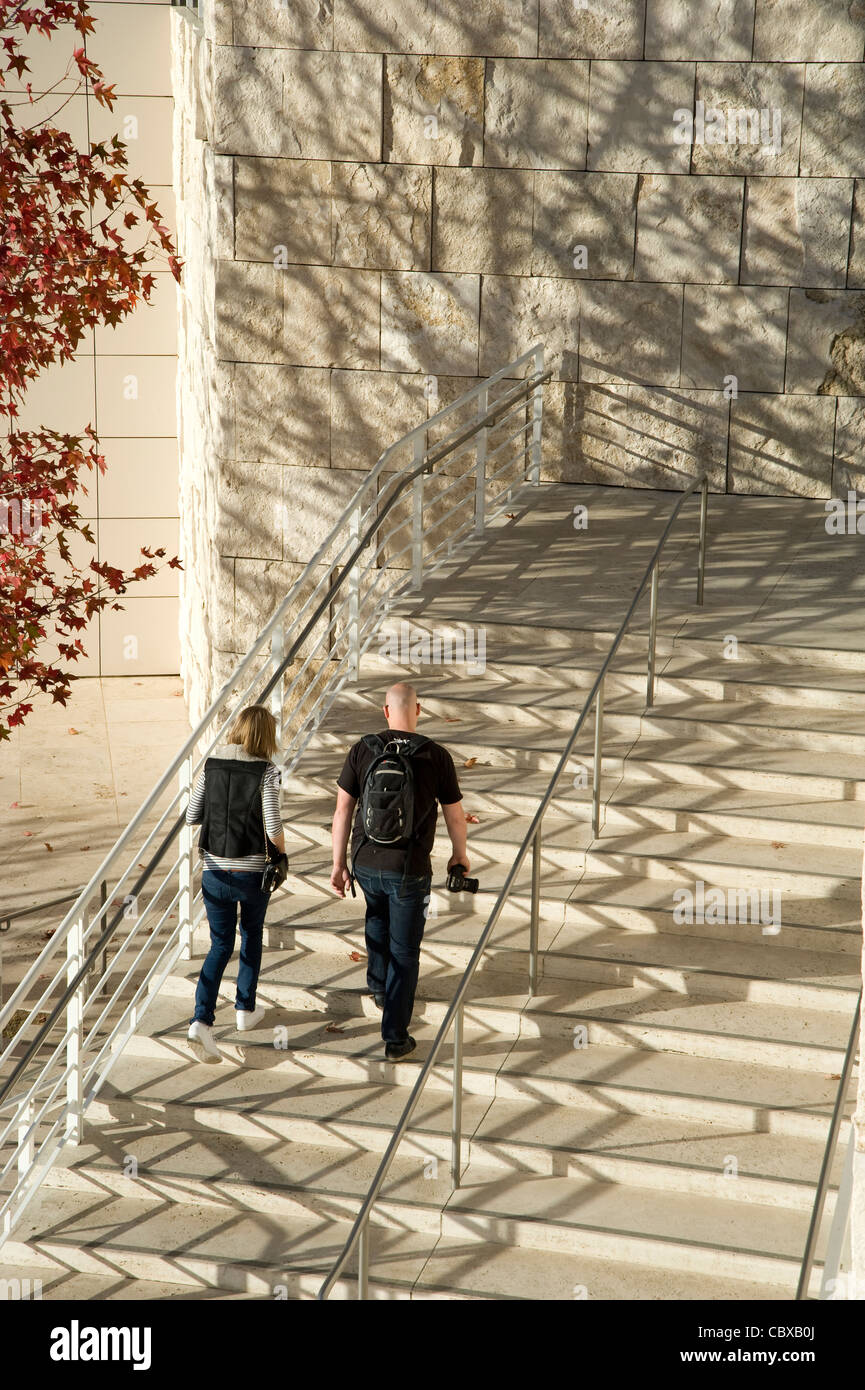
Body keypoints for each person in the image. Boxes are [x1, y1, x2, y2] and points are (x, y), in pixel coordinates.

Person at [331, 682, 468, 1060]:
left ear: (385, 711)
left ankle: (378, 987)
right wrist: (460, 855)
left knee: (376, 915)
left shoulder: (363, 748)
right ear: (418, 710)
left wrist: (338, 863)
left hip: (365, 860)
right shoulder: (435, 756)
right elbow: (455, 815)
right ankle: (394, 1038)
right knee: (405, 951)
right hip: (409, 868)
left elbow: (342, 810)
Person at [184, 704, 286, 1063]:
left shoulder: (211, 766)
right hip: (251, 873)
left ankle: (202, 1019)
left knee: (219, 945)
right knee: (252, 934)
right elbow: (272, 826)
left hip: (214, 870)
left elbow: (192, 815)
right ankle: (245, 1009)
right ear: (265, 736)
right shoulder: (267, 772)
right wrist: (282, 856)